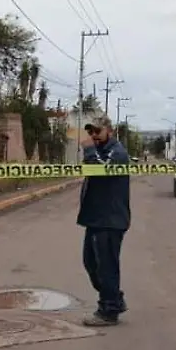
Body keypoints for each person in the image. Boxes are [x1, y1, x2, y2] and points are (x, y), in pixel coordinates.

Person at [77, 115, 131, 326]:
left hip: (110, 219)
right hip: (95, 218)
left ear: (110, 130)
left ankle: (108, 310)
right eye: (90, 132)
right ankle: (114, 299)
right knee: (90, 263)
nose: (93, 136)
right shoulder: (100, 151)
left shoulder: (117, 153)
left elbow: (100, 171)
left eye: (97, 132)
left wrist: (89, 150)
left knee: (106, 267)